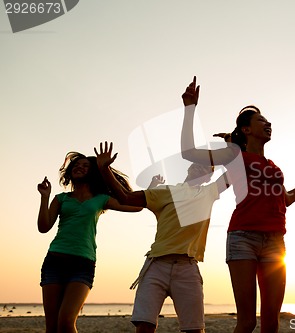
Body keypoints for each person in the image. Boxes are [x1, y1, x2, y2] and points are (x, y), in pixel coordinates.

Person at [180, 77, 295, 333]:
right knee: (247, 322)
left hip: (275, 241)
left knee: (271, 322)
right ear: (247, 130)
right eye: (261, 120)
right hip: (243, 238)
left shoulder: (274, 167)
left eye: (268, 120)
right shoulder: (234, 154)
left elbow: (287, 200)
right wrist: (189, 109)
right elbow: (189, 153)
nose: (268, 123)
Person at [95, 141, 230, 333]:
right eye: (197, 164)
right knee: (144, 326)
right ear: (190, 168)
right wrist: (104, 169)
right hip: (156, 266)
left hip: (187, 268)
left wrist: (232, 146)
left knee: (194, 329)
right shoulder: (166, 192)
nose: (200, 168)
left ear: (209, 176)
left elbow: (235, 171)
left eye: (206, 168)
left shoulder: (209, 192)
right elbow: (126, 197)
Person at [37, 152, 141, 333]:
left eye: (86, 166)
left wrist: (105, 168)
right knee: (52, 327)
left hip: (82, 264)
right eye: (77, 165)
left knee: (66, 322)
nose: (79, 167)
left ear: (93, 173)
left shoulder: (101, 199)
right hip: (54, 262)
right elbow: (44, 227)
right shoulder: (61, 199)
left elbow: (135, 206)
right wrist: (45, 196)